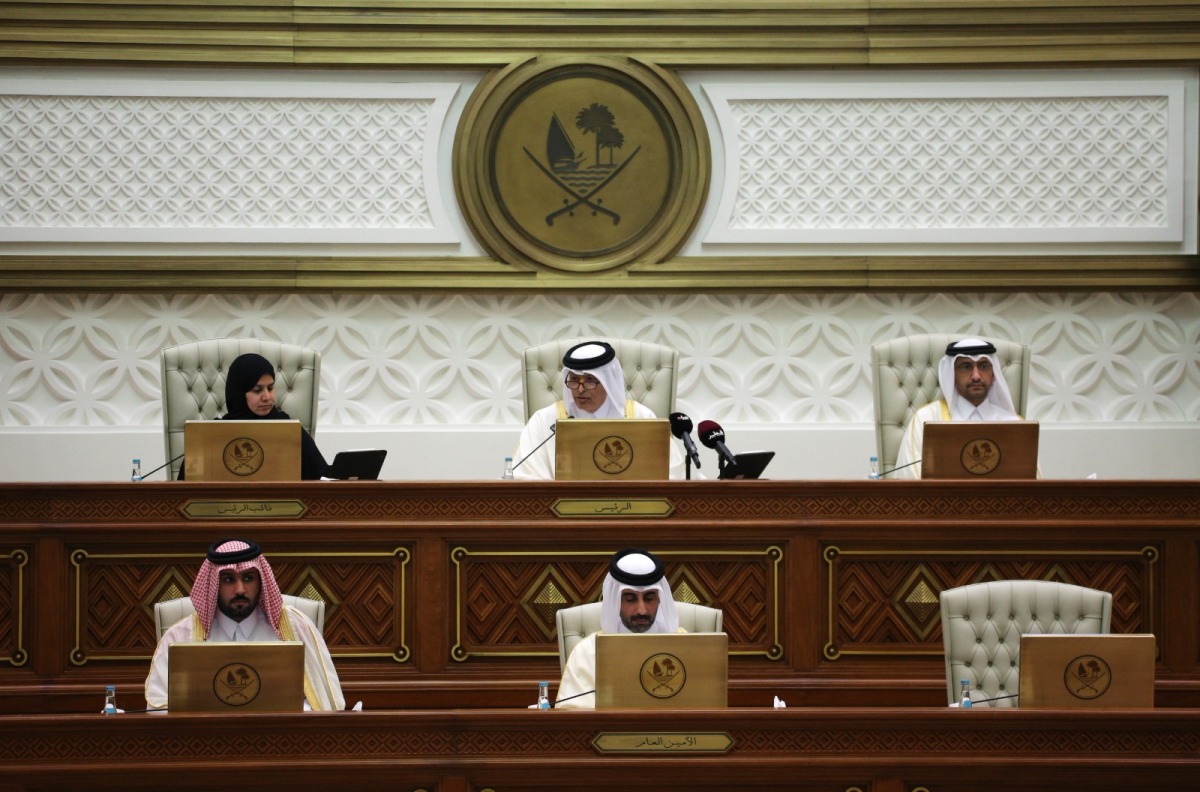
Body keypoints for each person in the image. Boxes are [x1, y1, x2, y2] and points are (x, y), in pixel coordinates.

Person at [145, 538, 344, 711]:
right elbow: (160, 710)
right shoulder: (179, 638)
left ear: (261, 581)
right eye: (229, 579)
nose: (240, 589)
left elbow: (324, 704)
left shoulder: (295, 627)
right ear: (214, 584)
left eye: (248, 578)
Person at [511, 340, 685, 480]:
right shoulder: (545, 421)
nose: (579, 389)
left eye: (590, 380)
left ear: (608, 381)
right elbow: (524, 477)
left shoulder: (641, 418)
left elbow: (672, 475)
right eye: (574, 380)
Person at [555, 548, 681, 710]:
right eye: (630, 599)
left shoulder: (684, 647)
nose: (641, 610)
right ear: (614, 601)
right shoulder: (588, 652)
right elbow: (574, 718)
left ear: (660, 599)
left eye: (649, 598)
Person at [179, 352, 329, 480]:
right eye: (257, 390)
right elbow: (184, 490)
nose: (267, 397)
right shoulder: (213, 435)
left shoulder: (289, 429)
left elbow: (323, 478)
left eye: (270, 388)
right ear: (238, 393)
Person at [892, 338, 1022, 479]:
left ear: (994, 374)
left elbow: (1033, 486)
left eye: (983, 366)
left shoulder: (1015, 425)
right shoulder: (926, 420)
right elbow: (912, 481)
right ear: (952, 375)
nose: (976, 376)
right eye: (966, 367)